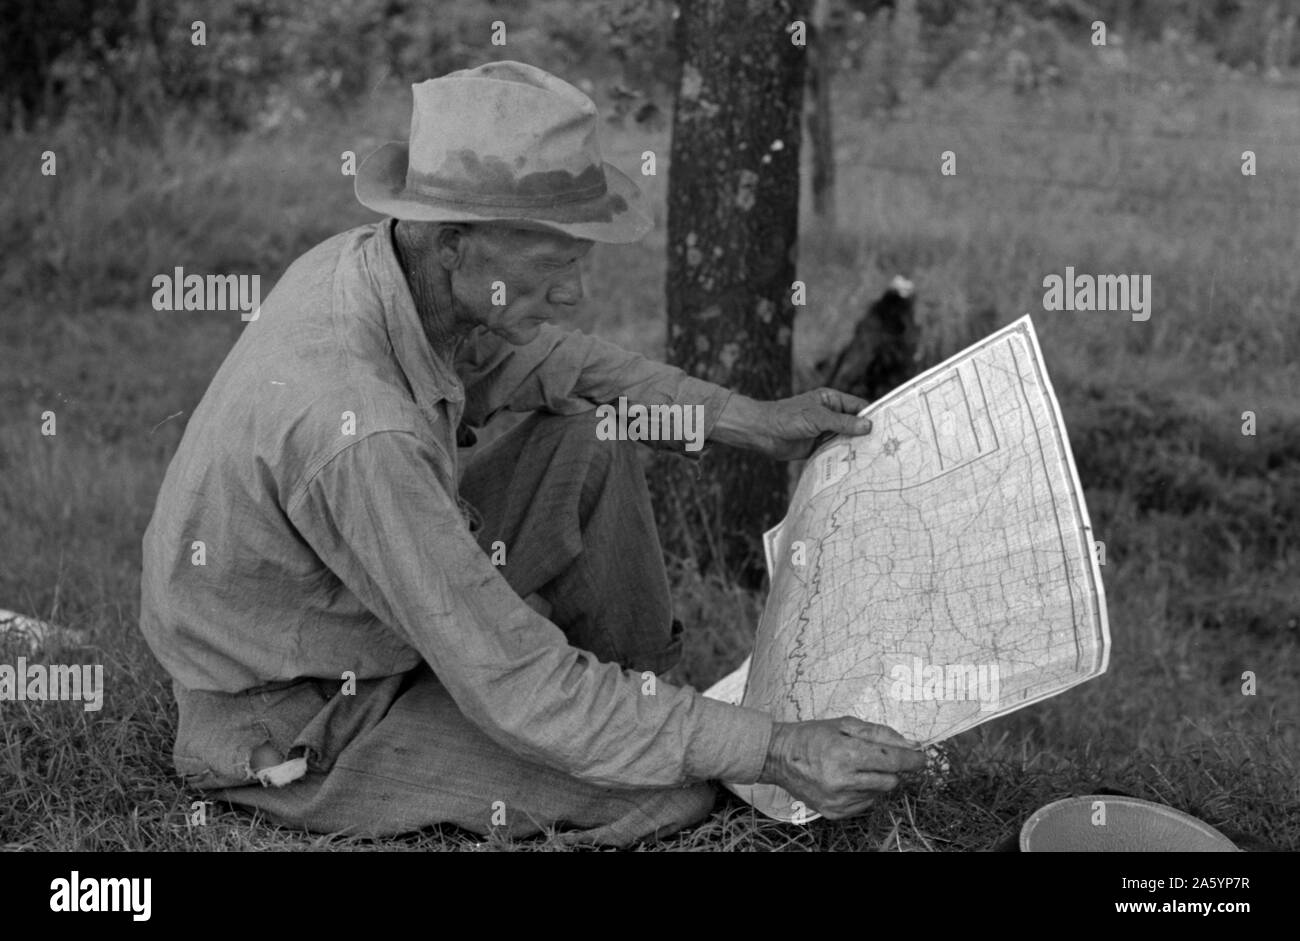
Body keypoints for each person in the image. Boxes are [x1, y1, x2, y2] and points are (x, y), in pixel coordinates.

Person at [139, 60, 925, 847]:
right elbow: (509, 680)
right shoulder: (360, 426)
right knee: (669, 792)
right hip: (301, 705)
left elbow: (569, 367)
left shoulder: (390, 267)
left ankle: (634, 703)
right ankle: (622, 722)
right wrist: (775, 747)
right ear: (453, 245)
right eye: (553, 264)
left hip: (365, 607)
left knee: (592, 435)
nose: (576, 291)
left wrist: (746, 420)